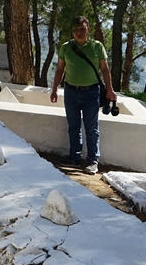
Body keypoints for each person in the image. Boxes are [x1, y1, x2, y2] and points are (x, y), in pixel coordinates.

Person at [50, 16, 117, 175]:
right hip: (71, 92)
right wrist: (54, 89)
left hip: (91, 93)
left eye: (82, 29)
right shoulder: (66, 47)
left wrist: (110, 89)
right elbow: (60, 69)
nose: (79, 33)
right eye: (76, 30)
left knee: (92, 128)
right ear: (72, 32)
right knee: (73, 127)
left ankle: (93, 161)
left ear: (88, 30)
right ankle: (74, 157)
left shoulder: (97, 47)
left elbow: (105, 69)